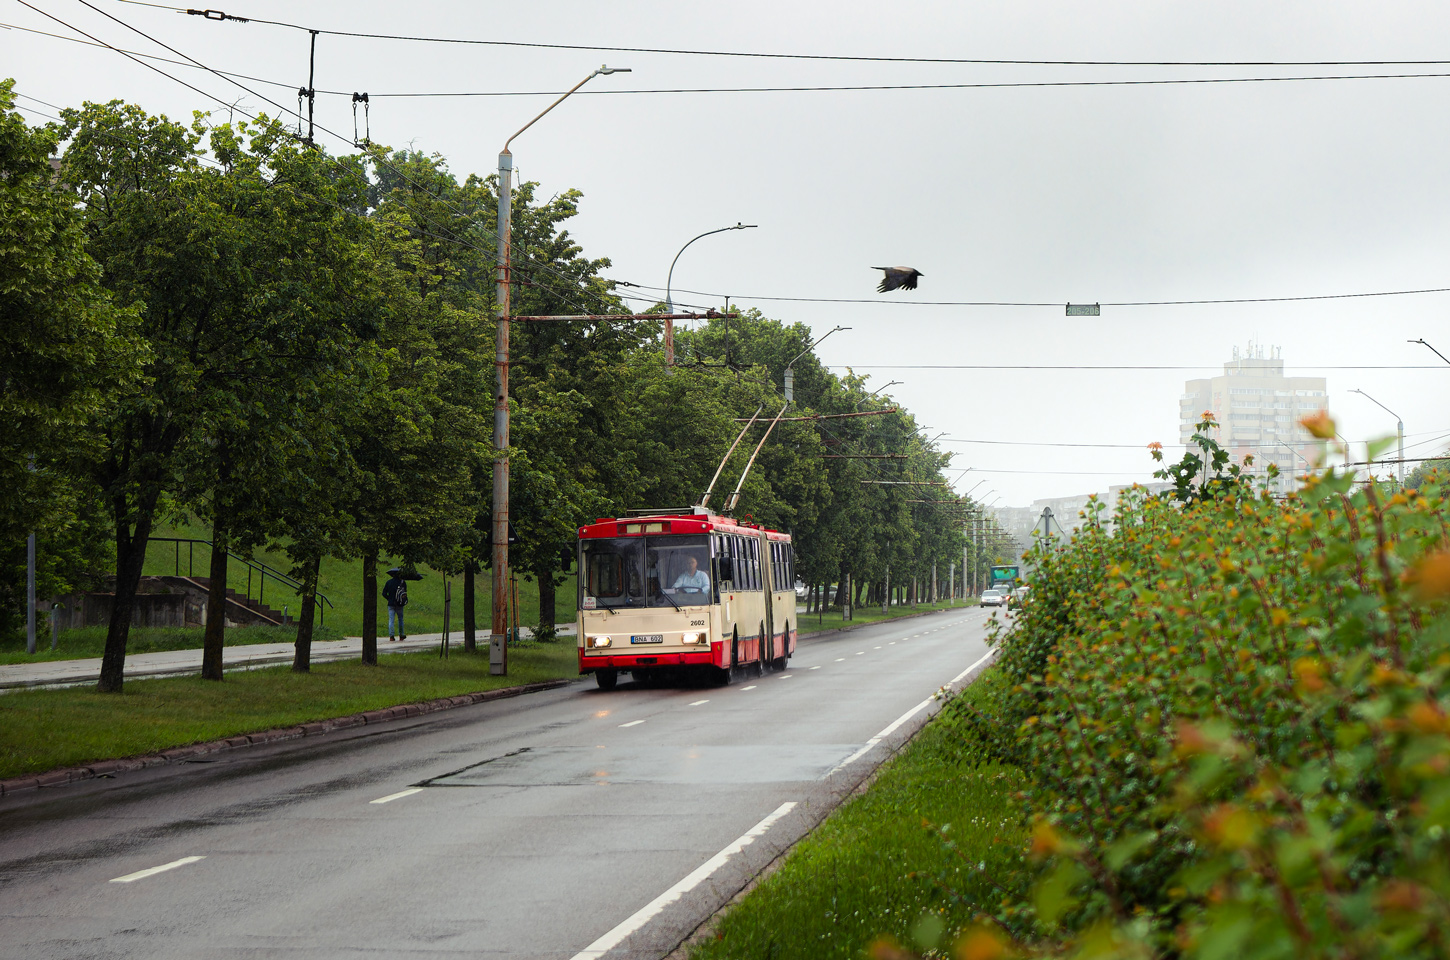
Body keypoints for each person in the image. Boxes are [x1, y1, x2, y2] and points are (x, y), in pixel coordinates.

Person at [383, 568, 409, 641]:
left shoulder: (389, 582)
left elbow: (384, 593)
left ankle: (391, 636)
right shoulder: (402, 583)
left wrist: (389, 598)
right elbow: (404, 594)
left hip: (391, 604)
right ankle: (401, 634)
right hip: (400, 604)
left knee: (391, 619)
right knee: (400, 619)